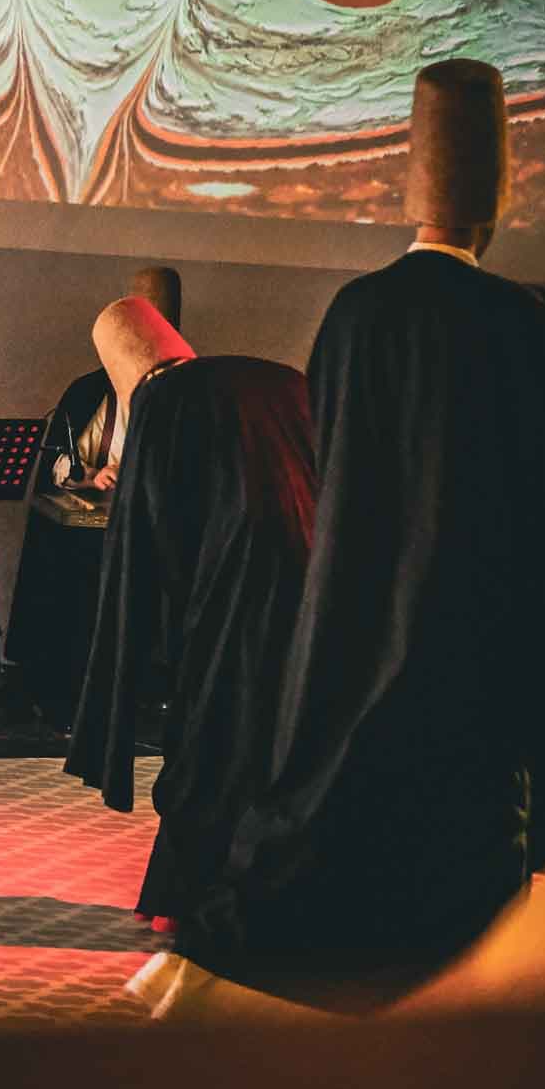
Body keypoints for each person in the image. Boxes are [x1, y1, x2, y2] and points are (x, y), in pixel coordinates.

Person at [199, 59, 545, 994]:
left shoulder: (355, 314)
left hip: (354, 614)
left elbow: (331, 456)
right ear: (493, 201)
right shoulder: (518, 319)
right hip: (472, 630)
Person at [64, 298, 317, 925]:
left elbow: (144, 540)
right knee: (291, 733)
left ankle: (180, 899)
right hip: (318, 570)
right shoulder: (280, 380)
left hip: (235, 586)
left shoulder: (164, 399)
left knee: (212, 731)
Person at [6, 266, 183, 730]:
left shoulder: (184, 396)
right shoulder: (88, 391)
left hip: (152, 521)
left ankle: (152, 683)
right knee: (80, 566)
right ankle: (68, 684)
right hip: (87, 524)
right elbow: (57, 466)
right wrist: (90, 475)